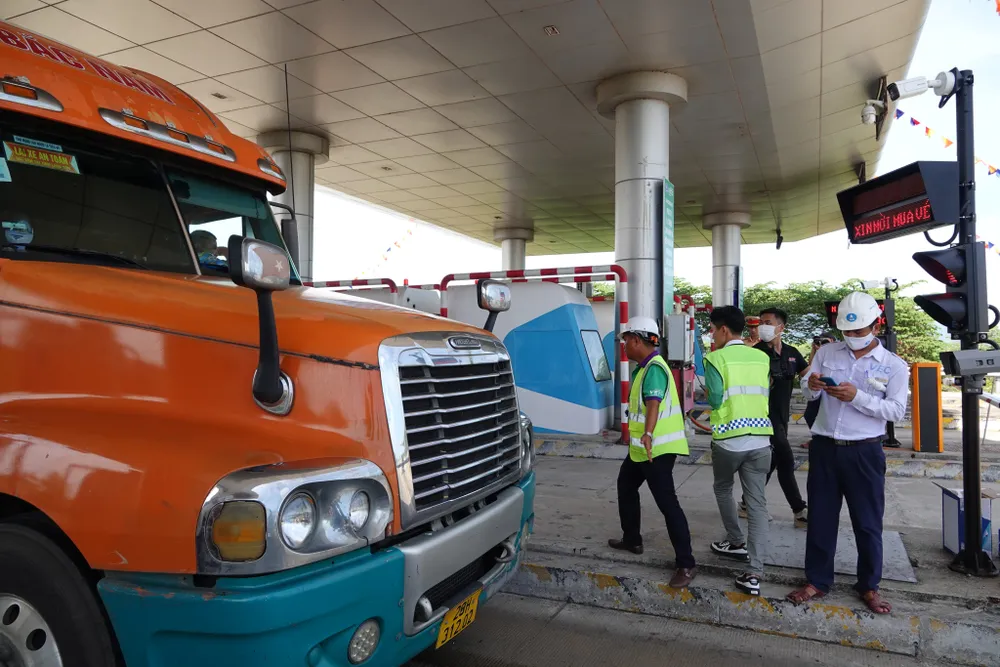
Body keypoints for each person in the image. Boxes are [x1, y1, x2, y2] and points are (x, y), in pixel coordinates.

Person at [786, 292, 906, 615]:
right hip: (824, 448)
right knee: (821, 519)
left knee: (867, 524)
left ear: (875, 326)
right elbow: (808, 392)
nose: (852, 337)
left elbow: (896, 411)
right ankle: (817, 580)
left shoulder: (894, 366)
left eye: (858, 331)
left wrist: (856, 397)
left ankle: (869, 586)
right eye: (847, 332)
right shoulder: (826, 352)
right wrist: (812, 385)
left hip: (865, 452)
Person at [609, 316, 697, 589]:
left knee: (667, 504)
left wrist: (647, 434)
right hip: (641, 449)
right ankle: (632, 539)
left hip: (655, 448)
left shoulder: (654, 369)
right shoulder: (645, 368)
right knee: (626, 485)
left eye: (625, 341)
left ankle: (686, 563)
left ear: (636, 339)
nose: (624, 346)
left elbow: (654, 403)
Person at [704, 306, 772, 596]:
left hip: (729, 440)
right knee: (757, 505)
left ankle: (734, 541)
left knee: (722, 488)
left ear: (722, 330)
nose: (711, 334)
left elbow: (717, 399)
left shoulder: (715, 358)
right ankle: (754, 572)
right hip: (761, 440)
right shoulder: (761, 356)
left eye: (712, 329)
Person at [740, 308, 809, 524]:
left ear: (781, 327)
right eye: (761, 322)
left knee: (771, 464)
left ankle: (745, 503)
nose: (762, 326)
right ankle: (799, 511)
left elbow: (808, 378)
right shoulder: (755, 352)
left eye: (767, 322)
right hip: (762, 418)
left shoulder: (792, 353)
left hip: (782, 418)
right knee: (786, 461)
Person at [800, 331, 838, 449]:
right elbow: (811, 367)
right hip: (817, 388)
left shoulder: (836, 353)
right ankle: (815, 437)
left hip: (830, 389)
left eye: (825, 341)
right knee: (810, 414)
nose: (822, 344)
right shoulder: (819, 354)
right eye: (819, 342)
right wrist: (815, 349)